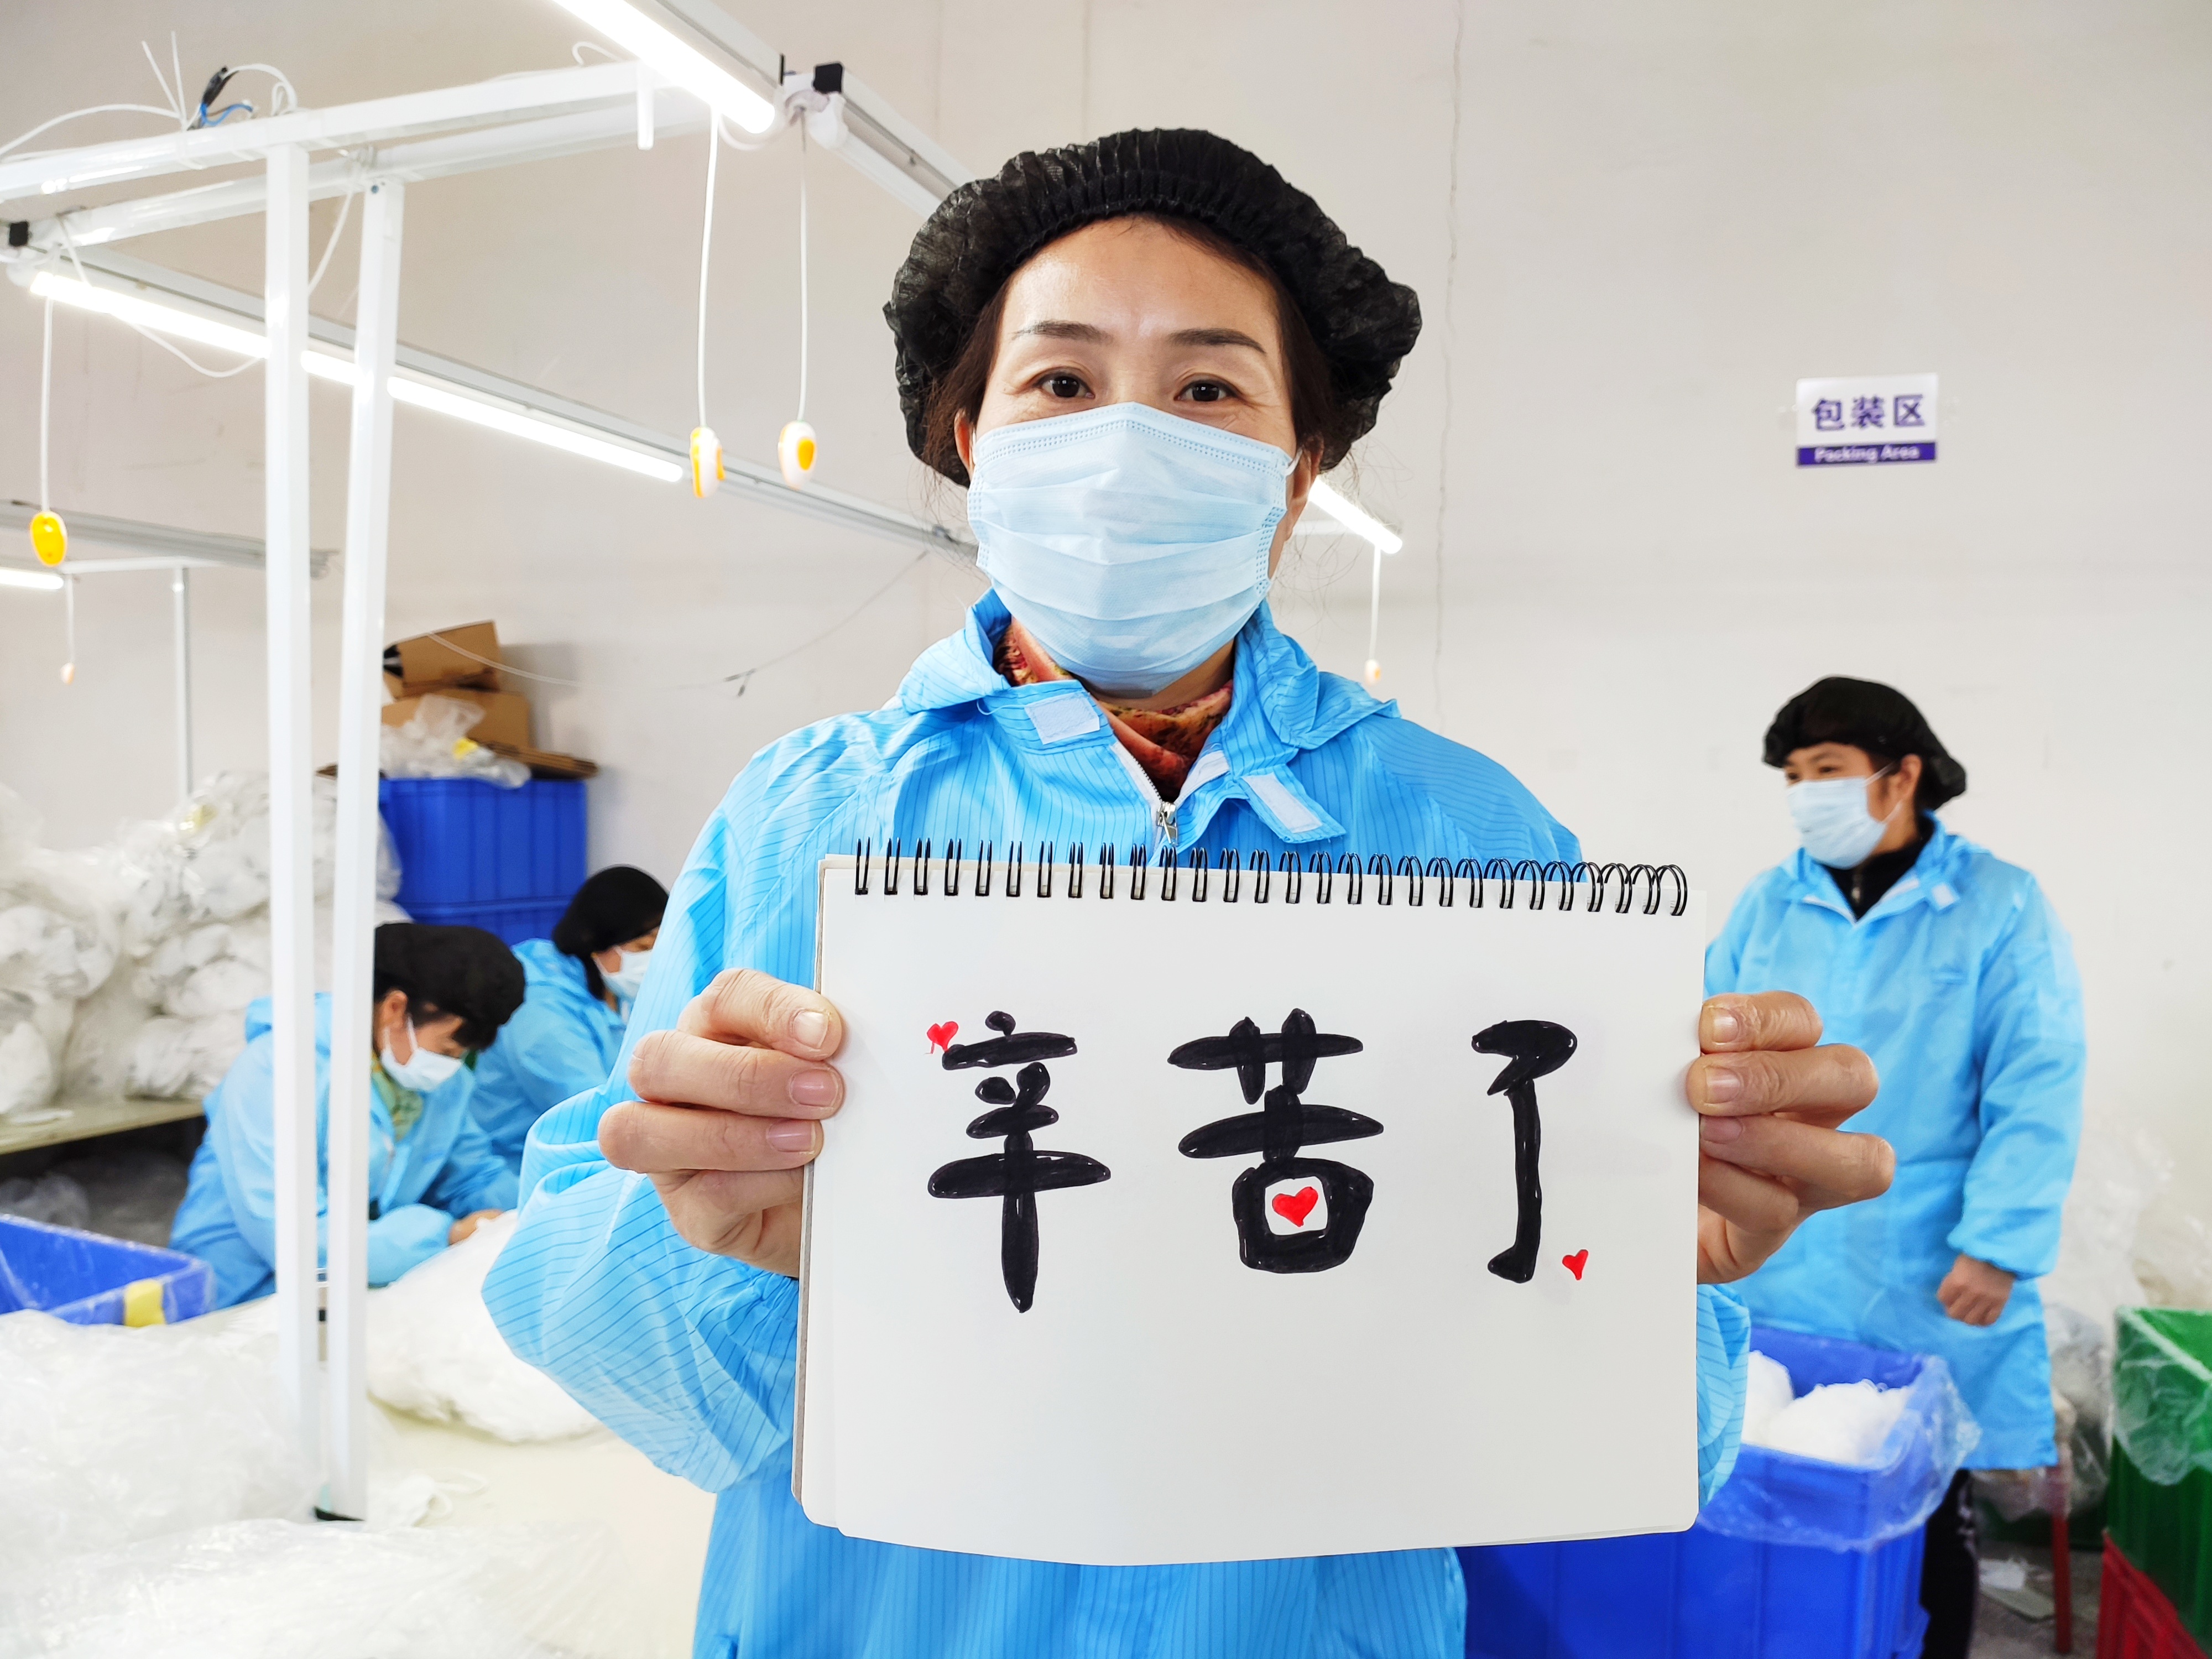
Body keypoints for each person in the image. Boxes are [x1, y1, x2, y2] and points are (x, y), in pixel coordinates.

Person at [484, 129, 1893, 1658]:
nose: (1126, 443)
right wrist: (729, 1238)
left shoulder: (1473, 837)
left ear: (1298, 471)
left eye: (1208, 389)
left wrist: (1636, 1279)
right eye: (1061, 381)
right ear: (969, 437)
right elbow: (592, 1329)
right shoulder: (810, 819)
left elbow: (1651, 1441)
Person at [1705, 677, 2085, 1659]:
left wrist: (1999, 1244)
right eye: (1793, 777)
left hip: (1928, 1260)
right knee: (1776, 1498)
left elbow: (2037, 1079)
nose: (1806, 795)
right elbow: (1704, 1057)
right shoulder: (1766, 903)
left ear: (1901, 775)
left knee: (1926, 1509)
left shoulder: (2000, 904)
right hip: (1779, 1248)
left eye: (1827, 770)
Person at [172, 921, 526, 1308]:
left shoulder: (438, 1083)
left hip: (358, 1277)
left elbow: (471, 1174)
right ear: (395, 1009)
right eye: (446, 1051)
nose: (451, 1067)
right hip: (242, 1291)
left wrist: (526, 1213)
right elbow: (292, 1240)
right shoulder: (279, 1071)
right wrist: (445, 1236)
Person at [468, 865, 667, 1171]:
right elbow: (594, 1117)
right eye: (642, 947)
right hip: (518, 1169)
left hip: (592, 1150)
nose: (653, 959)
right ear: (595, 943)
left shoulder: (611, 987)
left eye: (662, 945)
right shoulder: (539, 1009)